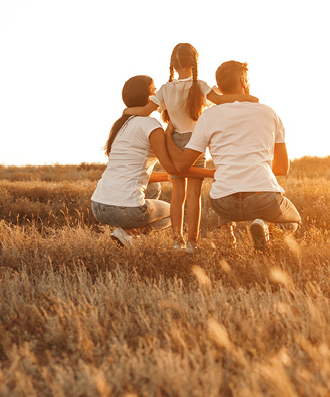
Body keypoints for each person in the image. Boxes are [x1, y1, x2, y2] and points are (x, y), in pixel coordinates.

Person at [123, 43, 257, 253]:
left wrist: (127, 110)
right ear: (194, 63)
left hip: (174, 141)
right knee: (194, 196)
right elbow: (221, 101)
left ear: (173, 65)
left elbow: (145, 111)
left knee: (178, 195)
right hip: (196, 143)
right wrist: (247, 98)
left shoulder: (166, 89)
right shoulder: (200, 85)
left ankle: (177, 241)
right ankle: (192, 243)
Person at [166, 61, 301, 251]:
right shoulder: (270, 113)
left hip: (224, 203)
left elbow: (182, 165)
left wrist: (167, 136)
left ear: (219, 88)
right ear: (243, 81)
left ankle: (236, 234)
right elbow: (282, 169)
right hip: (262, 198)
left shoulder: (208, 116)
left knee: (226, 184)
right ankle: (263, 224)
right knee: (293, 221)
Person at [91, 75, 213, 247]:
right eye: (154, 90)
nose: (157, 93)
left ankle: (125, 234)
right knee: (171, 214)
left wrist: (168, 178)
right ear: (148, 97)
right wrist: (211, 173)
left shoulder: (121, 124)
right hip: (124, 211)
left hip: (98, 206)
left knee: (154, 187)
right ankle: (127, 232)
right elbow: (173, 168)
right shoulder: (151, 125)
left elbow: (139, 173)